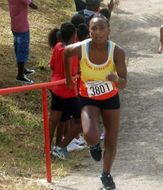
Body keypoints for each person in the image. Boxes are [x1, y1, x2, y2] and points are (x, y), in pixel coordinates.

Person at [64, 15, 127, 189]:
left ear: (109, 31)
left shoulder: (117, 52)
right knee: (90, 135)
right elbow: (66, 52)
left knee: (112, 140)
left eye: (101, 28)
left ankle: (106, 174)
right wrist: (69, 78)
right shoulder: (82, 48)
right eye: (94, 28)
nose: (97, 32)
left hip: (110, 98)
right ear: (89, 31)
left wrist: (115, 78)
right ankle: (93, 145)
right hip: (88, 97)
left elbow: (124, 82)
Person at [48, 22, 83, 160]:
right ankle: (61, 146)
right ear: (74, 36)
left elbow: (52, 66)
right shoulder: (70, 51)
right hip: (68, 90)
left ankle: (48, 149)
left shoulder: (57, 46)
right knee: (80, 121)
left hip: (55, 86)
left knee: (56, 120)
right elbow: (74, 71)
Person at [8, 0, 38, 84]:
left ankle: (23, 70)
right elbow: (34, 6)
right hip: (22, 27)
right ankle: (20, 75)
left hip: (14, 25)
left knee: (18, 47)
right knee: (22, 50)